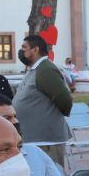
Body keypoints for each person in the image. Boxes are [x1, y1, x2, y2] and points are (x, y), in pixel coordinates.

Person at [13, 34, 72, 167]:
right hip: (35, 139)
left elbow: (64, 99)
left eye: (24, 47)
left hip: (46, 142)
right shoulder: (36, 69)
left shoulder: (46, 69)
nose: (21, 51)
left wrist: (50, 117)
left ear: (35, 49)